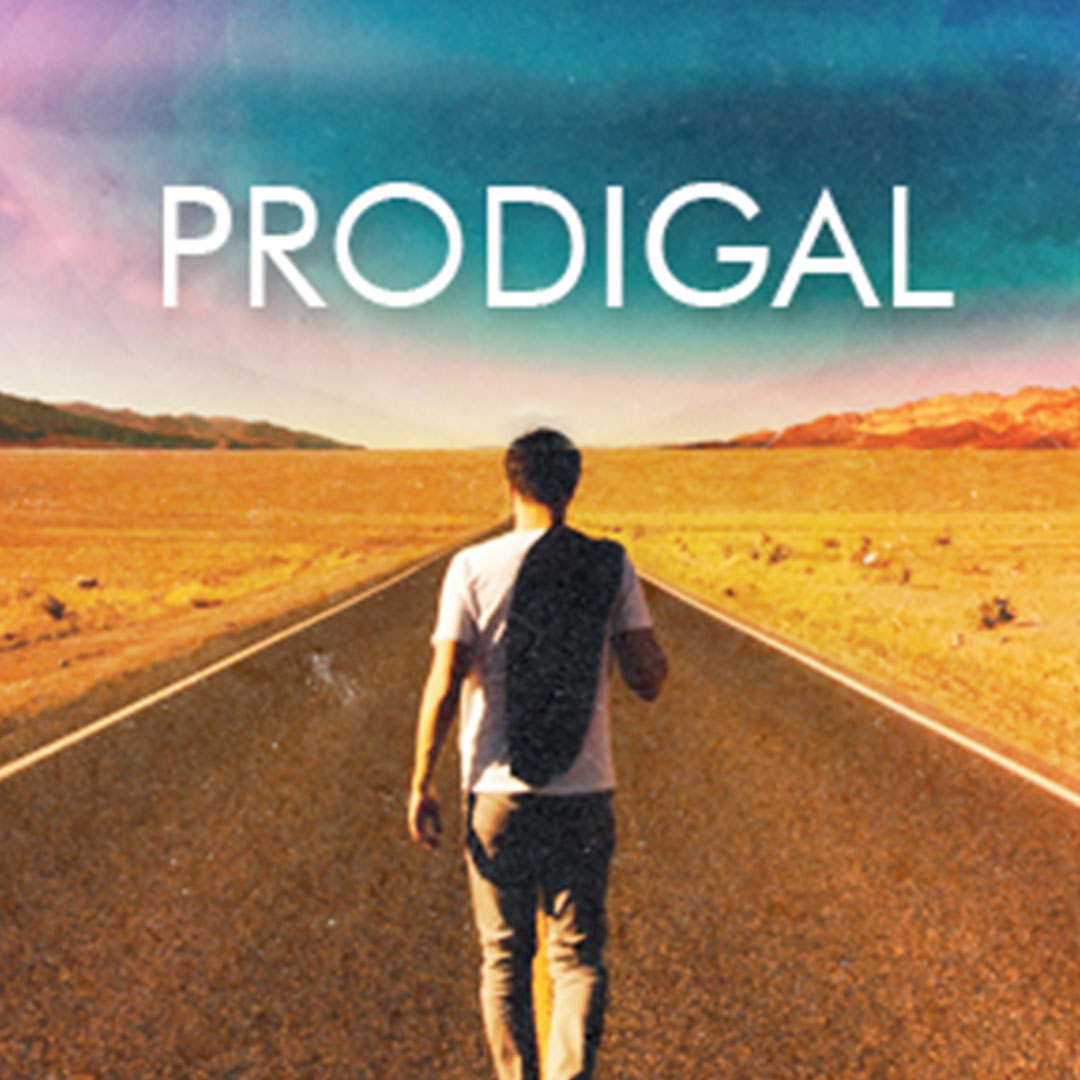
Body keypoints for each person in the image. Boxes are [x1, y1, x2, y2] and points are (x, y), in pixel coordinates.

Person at [407, 428, 667, 1080]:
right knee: (576, 959)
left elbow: (444, 683)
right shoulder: (611, 564)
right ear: (572, 488)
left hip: (497, 793)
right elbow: (649, 679)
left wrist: (421, 781)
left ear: (511, 484)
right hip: (583, 793)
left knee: (504, 958)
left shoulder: (471, 567)